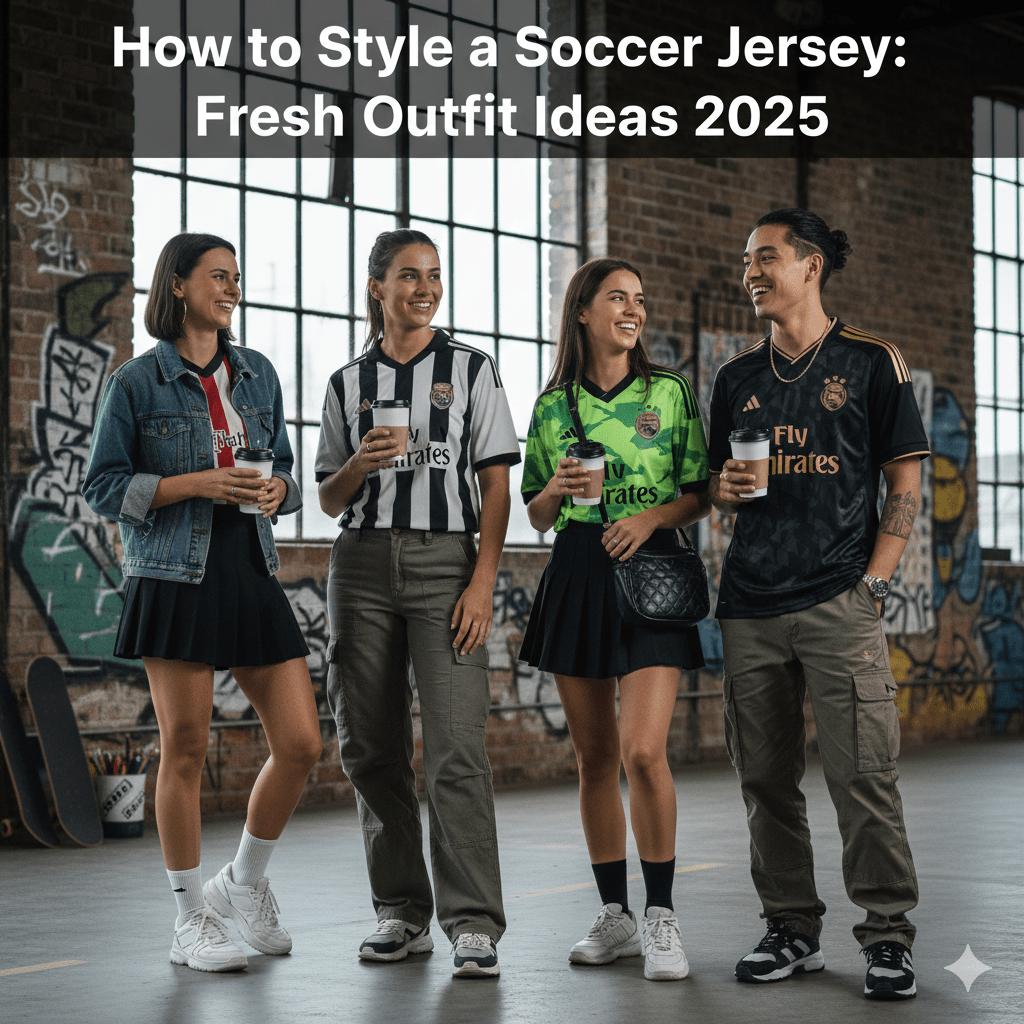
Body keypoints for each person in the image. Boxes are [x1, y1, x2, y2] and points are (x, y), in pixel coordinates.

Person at [83, 233, 322, 973]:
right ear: (179, 285)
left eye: (237, 278)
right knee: (184, 746)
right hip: (171, 573)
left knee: (303, 743)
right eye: (218, 277)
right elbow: (102, 488)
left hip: (247, 567)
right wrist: (198, 484)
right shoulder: (137, 383)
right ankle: (190, 917)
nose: (232, 289)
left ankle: (243, 881)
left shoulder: (258, 374)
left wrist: (276, 489)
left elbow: (279, 465)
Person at [710, 209, 929, 1000]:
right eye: (745, 262)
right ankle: (792, 928)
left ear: (810, 267)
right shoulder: (736, 379)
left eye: (766, 257)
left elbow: (905, 482)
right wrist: (721, 489)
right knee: (764, 781)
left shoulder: (873, 362)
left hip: (840, 599)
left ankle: (888, 937)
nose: (751, 272)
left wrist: (874, 582)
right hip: (749, 605)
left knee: (862, 775)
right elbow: (713, 489)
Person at [316, 228, 520, 979]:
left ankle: (474, 923)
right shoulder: (346, 382)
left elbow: (496, 484)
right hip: (361, 566)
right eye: (409, 275)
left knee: (457, 750)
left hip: (447, 564)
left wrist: (482, 580)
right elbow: (329, 494)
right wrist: (359, 464)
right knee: (369, 746)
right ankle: (401, 912)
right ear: (377, 287)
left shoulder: (470, 369)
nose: (425, 287)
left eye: (434, 274)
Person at [518, 257, 711, 982]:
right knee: (594, 759)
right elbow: (538, 512)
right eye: (617, 298)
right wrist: (558, 489)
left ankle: (662, 916)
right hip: (577, 571)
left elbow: (700, 491)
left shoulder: (669, 391)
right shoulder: (550, 406)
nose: (633, 309)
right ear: (583, 312)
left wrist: (650, 518)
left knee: (641, 752)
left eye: (640, 298)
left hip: (653, 569)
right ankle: (616, 915)